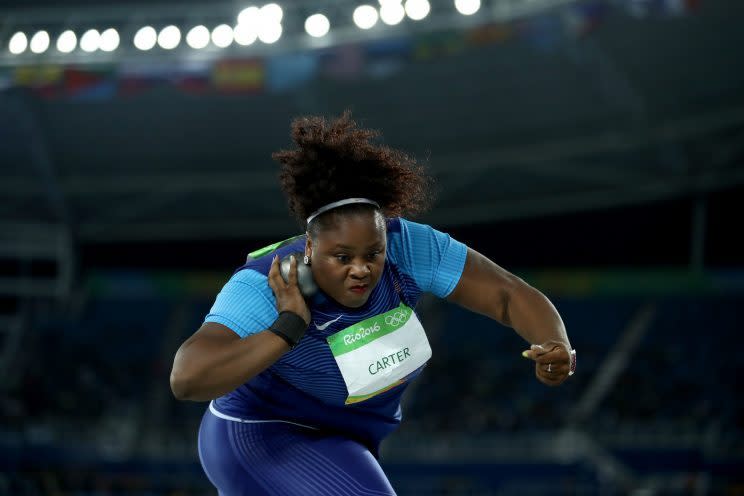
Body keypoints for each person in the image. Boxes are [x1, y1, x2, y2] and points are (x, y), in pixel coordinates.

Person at [170, 112, 576, 495]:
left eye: (373, 254)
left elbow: (509, 294)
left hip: (351, 437)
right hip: (262, 431)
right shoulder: (269, 283)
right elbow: (187, 379)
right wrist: (288, 325)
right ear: (311, 247)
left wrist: (554, 342)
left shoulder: (410, 245)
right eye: (342, 257)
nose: (361, 269)